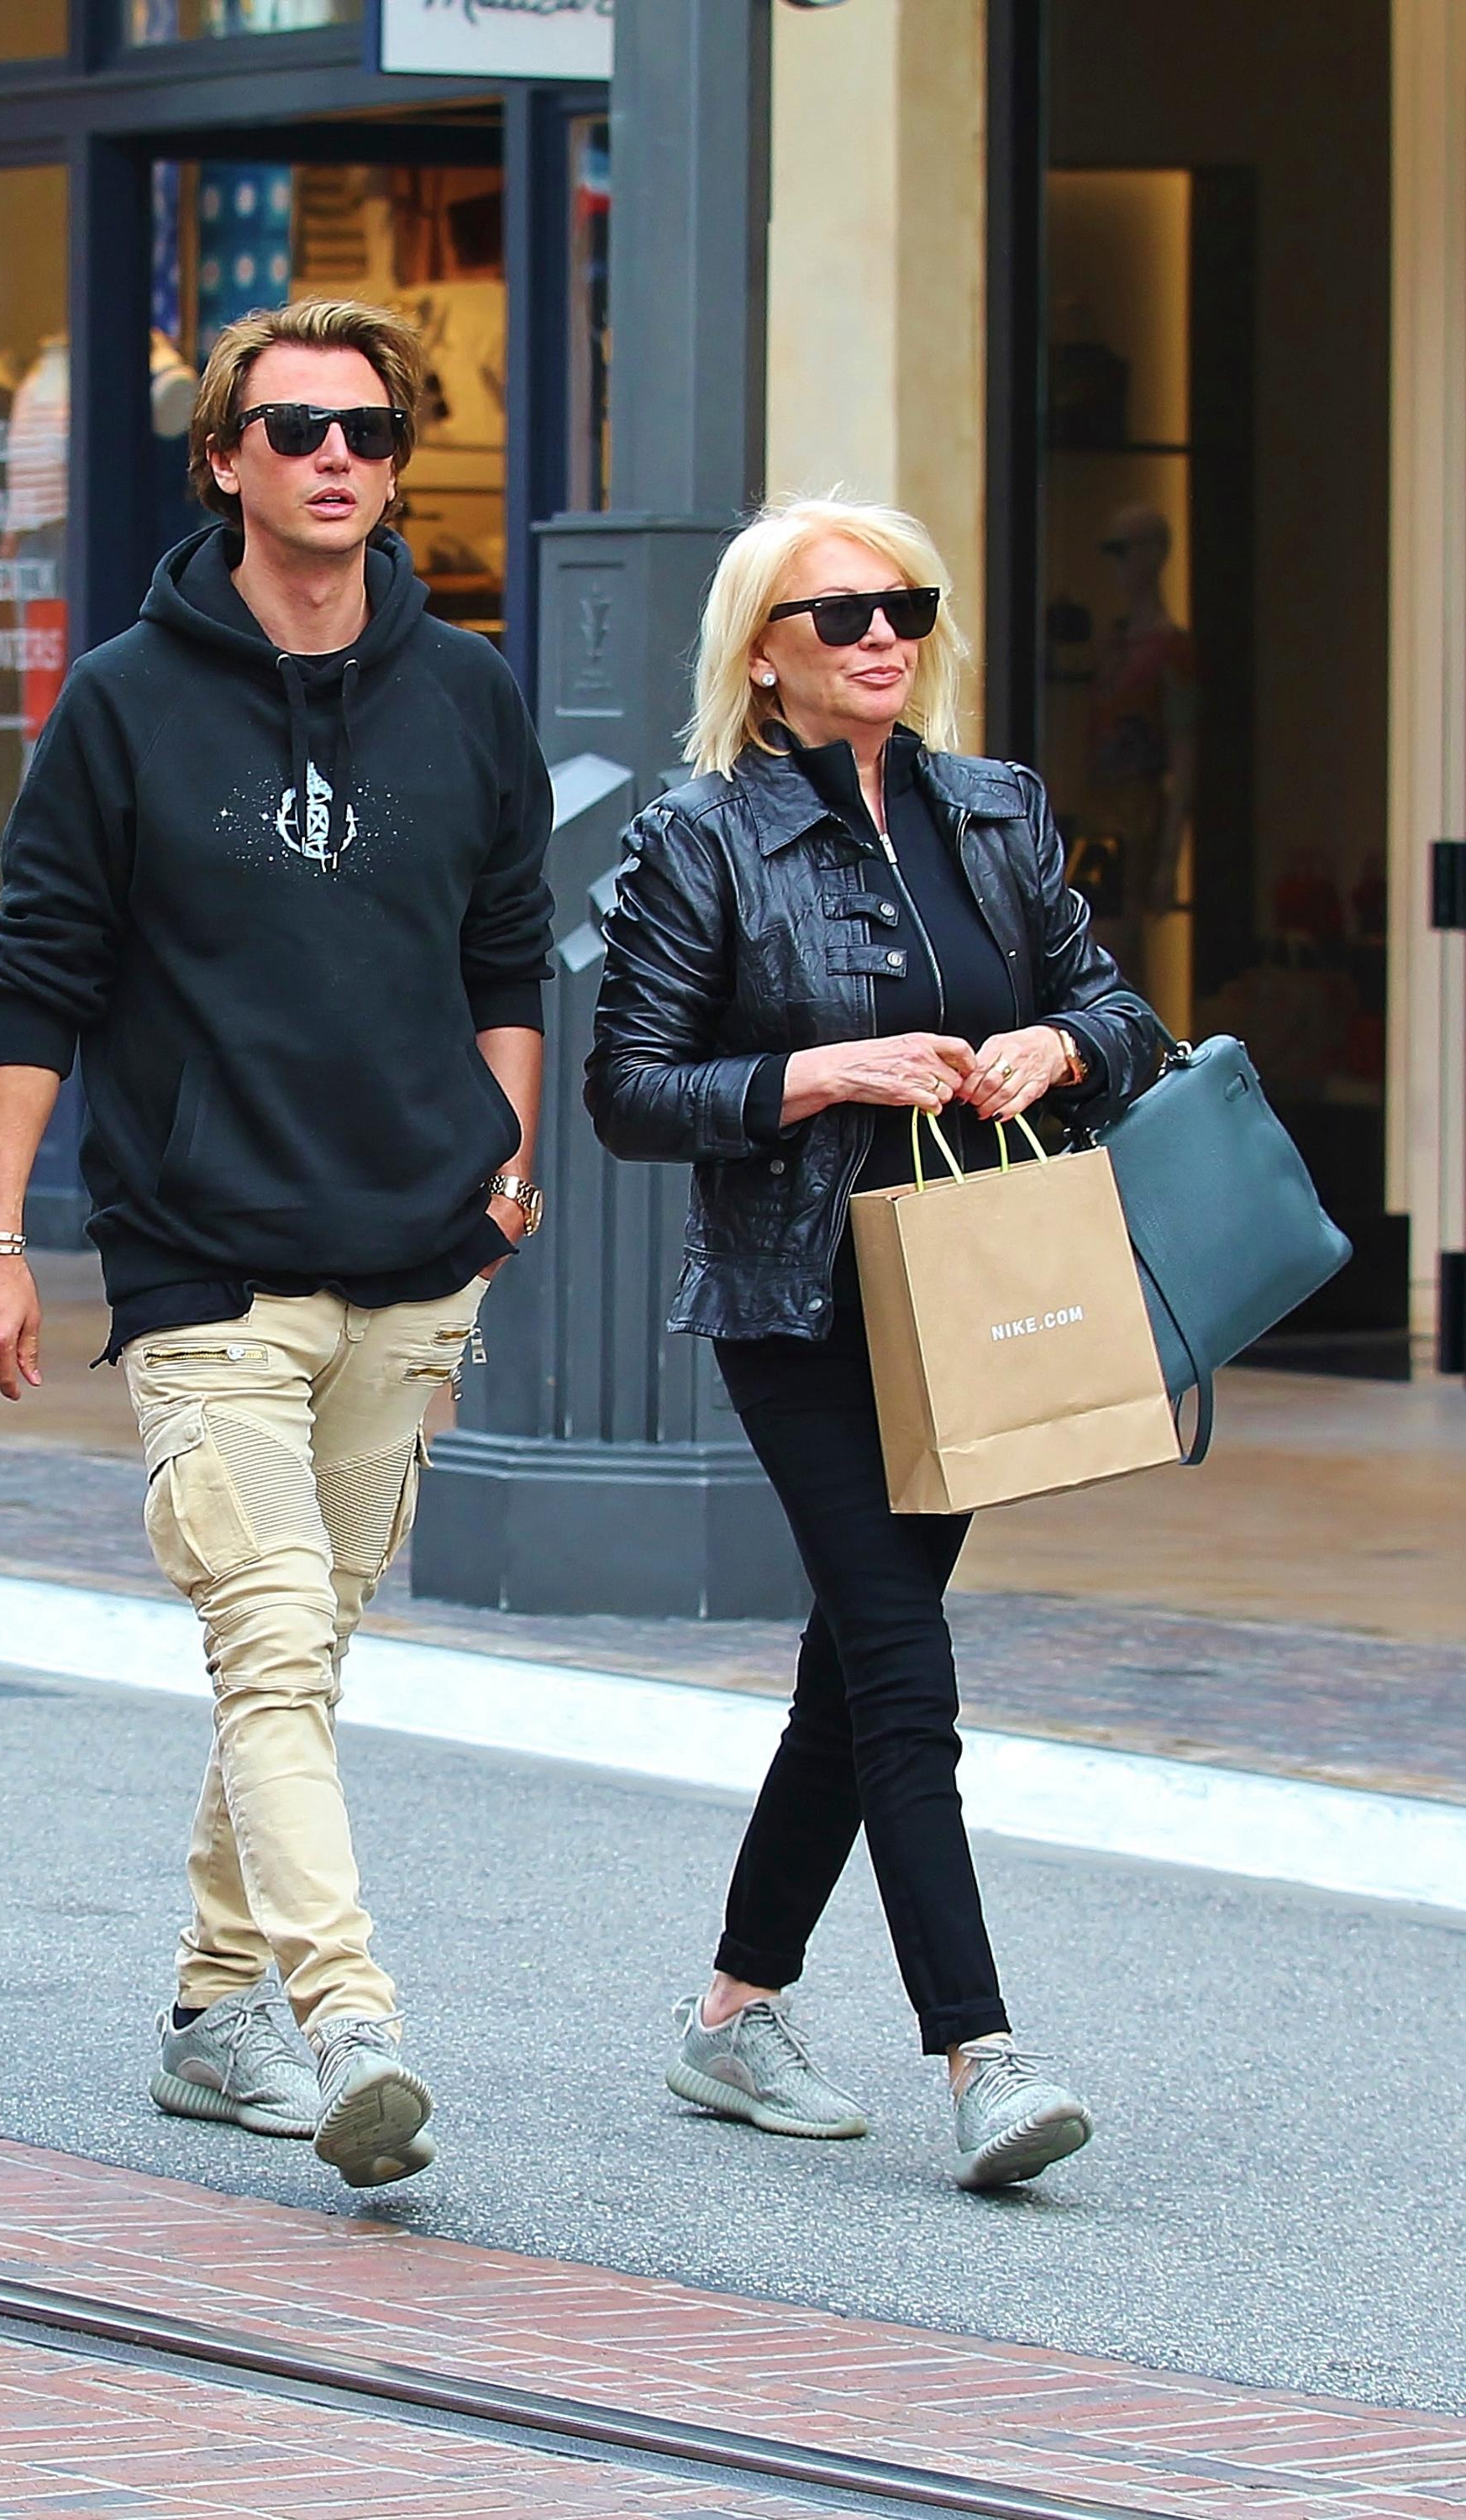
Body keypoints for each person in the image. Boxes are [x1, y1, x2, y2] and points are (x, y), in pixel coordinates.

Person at [0, 298, 553, 2192]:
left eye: (368, 431)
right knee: (274, 1633)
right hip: (206, 1260)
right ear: (223, 459)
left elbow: (509, 954)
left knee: (306, 1647)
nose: (335, 461)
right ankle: (343, 2012)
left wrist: (508, 1167)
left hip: (416, 1252)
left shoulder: (468, 692)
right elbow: (38, 983)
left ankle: (212, 2007)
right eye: (293, 429)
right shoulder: (125, 698)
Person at [582, 494, 1170, 2190]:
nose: (880, 640)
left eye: (902, 607)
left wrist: (1058, 1047)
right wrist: (825, 1075)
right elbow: (631, 1089)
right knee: (906, 1667)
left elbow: (1117, 1004)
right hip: (797, 1304)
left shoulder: (995, 811)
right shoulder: (704, 837)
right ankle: (983, 2055)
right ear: (763, 658)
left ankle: (733, 2011)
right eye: (837, 617)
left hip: (970, 1294)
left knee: (856, 1673)